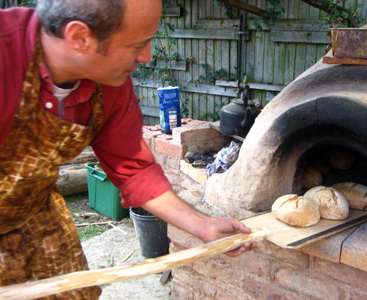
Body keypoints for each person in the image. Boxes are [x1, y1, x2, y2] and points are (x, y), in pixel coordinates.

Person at [0, 0, 258, 298]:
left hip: (36, 214)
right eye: (138, 44)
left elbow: (133, 168)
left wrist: (203, 225)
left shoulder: (106, 79)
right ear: (79, 37)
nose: (147, 57)